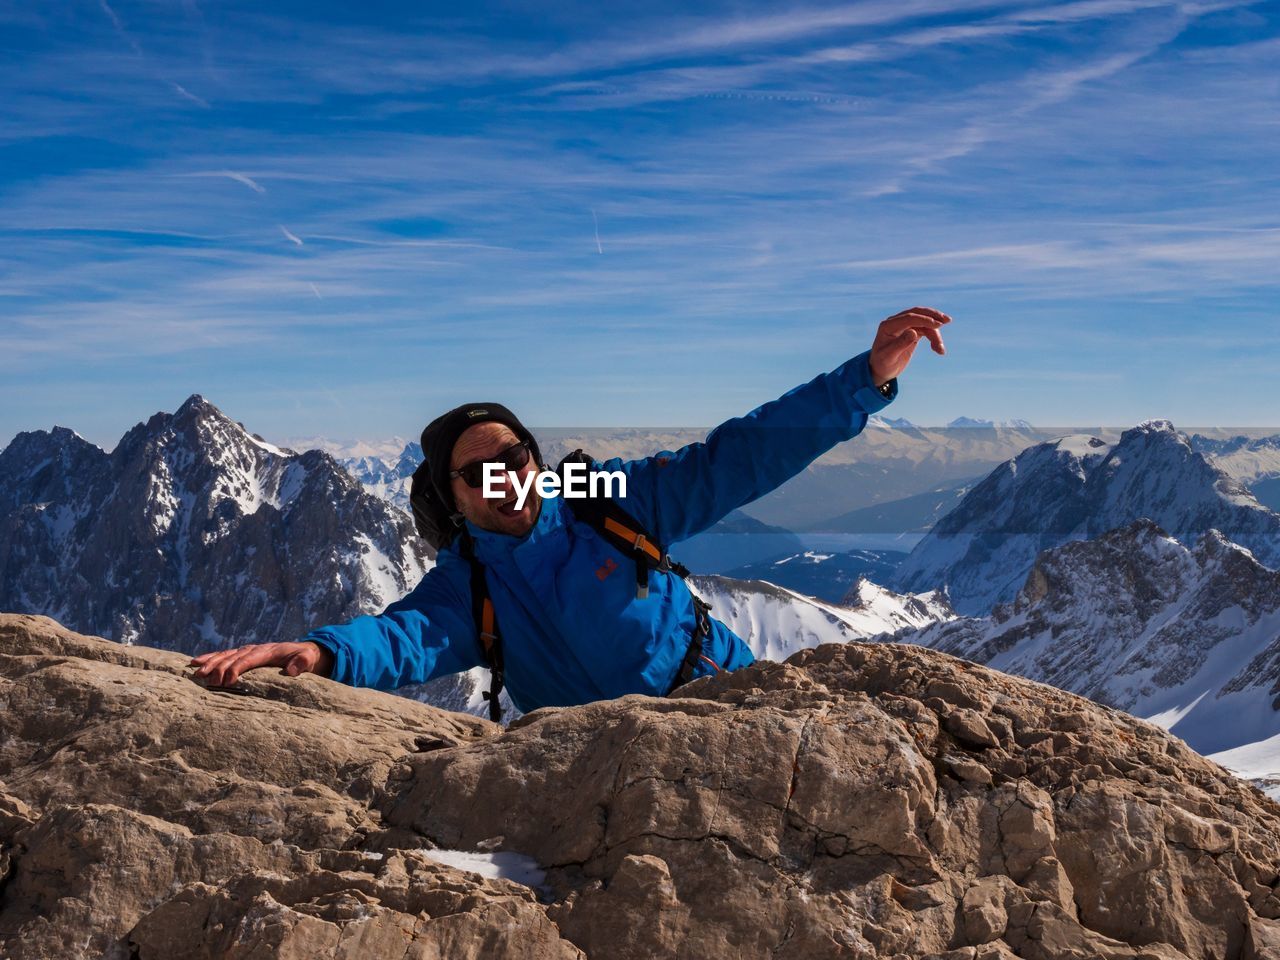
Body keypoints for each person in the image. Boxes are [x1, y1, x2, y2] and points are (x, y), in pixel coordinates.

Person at [189, 306, 950, 714]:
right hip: (602, 760)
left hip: (728, 697)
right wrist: (320, 655)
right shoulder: (471, 587)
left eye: (515, 456)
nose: (508, 477)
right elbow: (403, 638)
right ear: (452, 499)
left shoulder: (605, 503)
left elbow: (741, 456)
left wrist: (865, 379)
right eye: (480, 473)